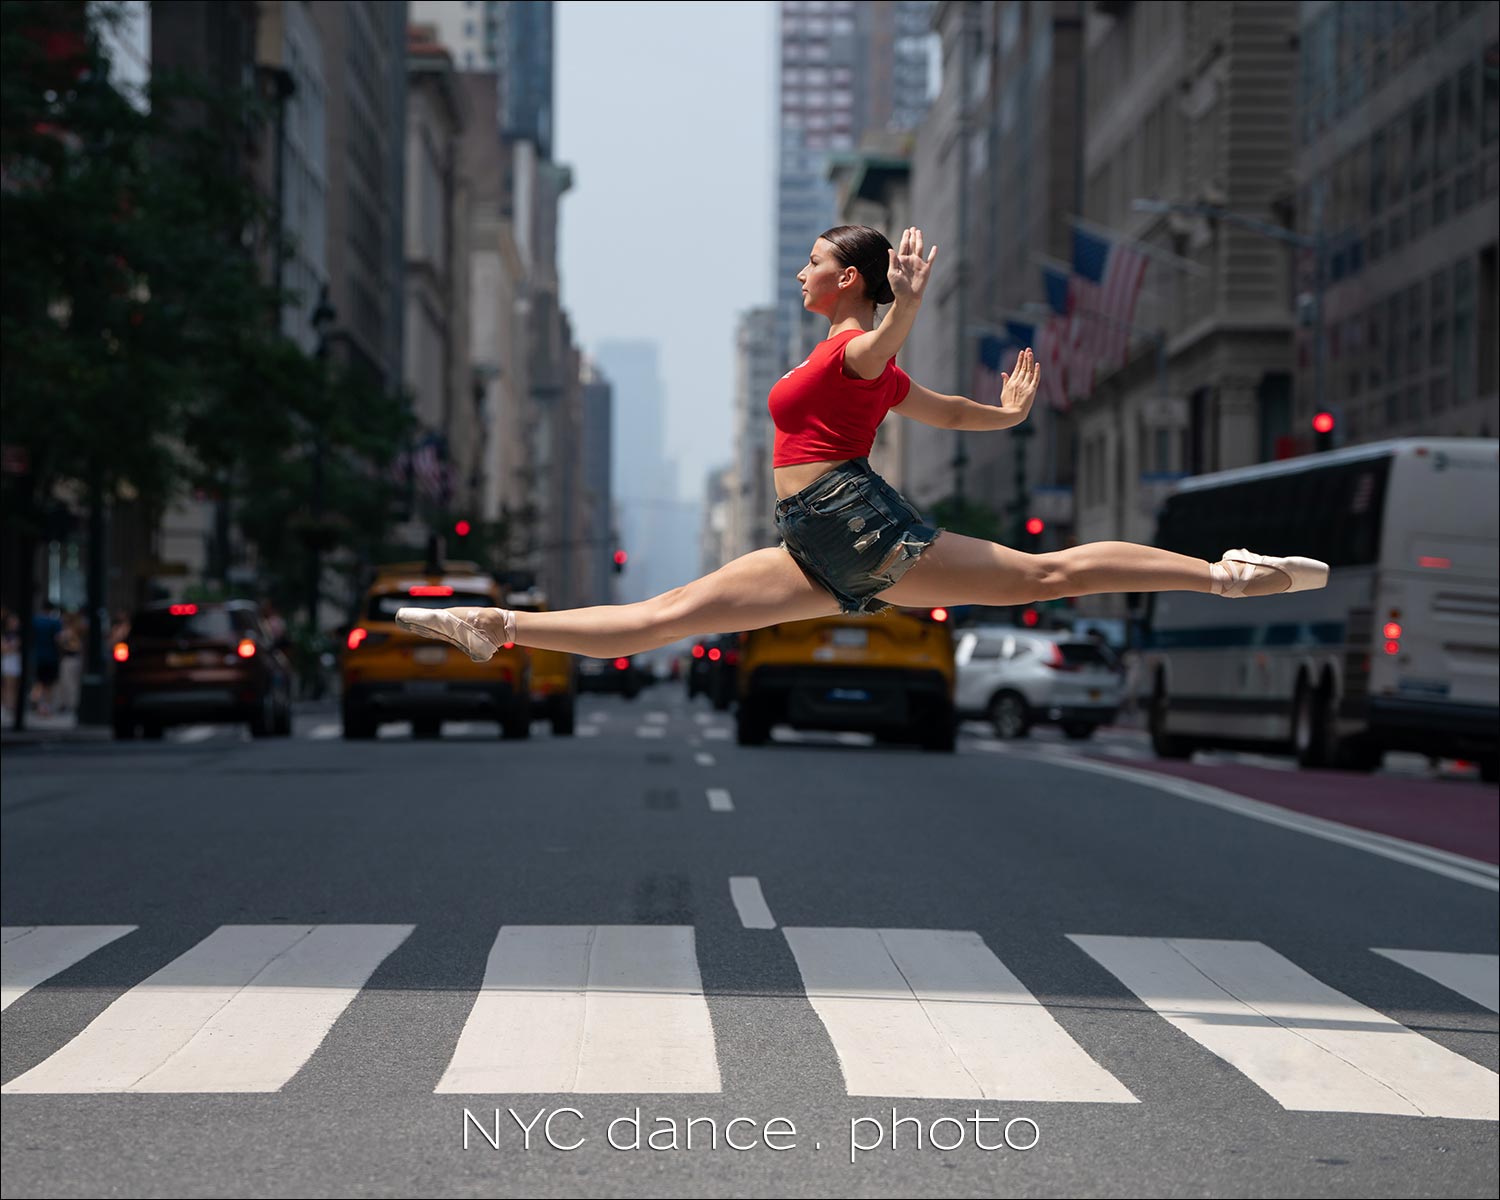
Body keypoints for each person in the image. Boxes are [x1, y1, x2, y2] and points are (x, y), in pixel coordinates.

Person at [397, 224, 1328, 664]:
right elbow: (948, 412)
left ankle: (1225, 571)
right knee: (665, 616)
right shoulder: (860, 366)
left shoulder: (854, 347)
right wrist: (1002, 417)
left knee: (1047, 575)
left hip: (852, 523)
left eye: (811, 261)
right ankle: (499, 626)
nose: (800, 271)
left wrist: (911, 301)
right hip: (817, 536)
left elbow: (885, 347)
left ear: (846, 278)